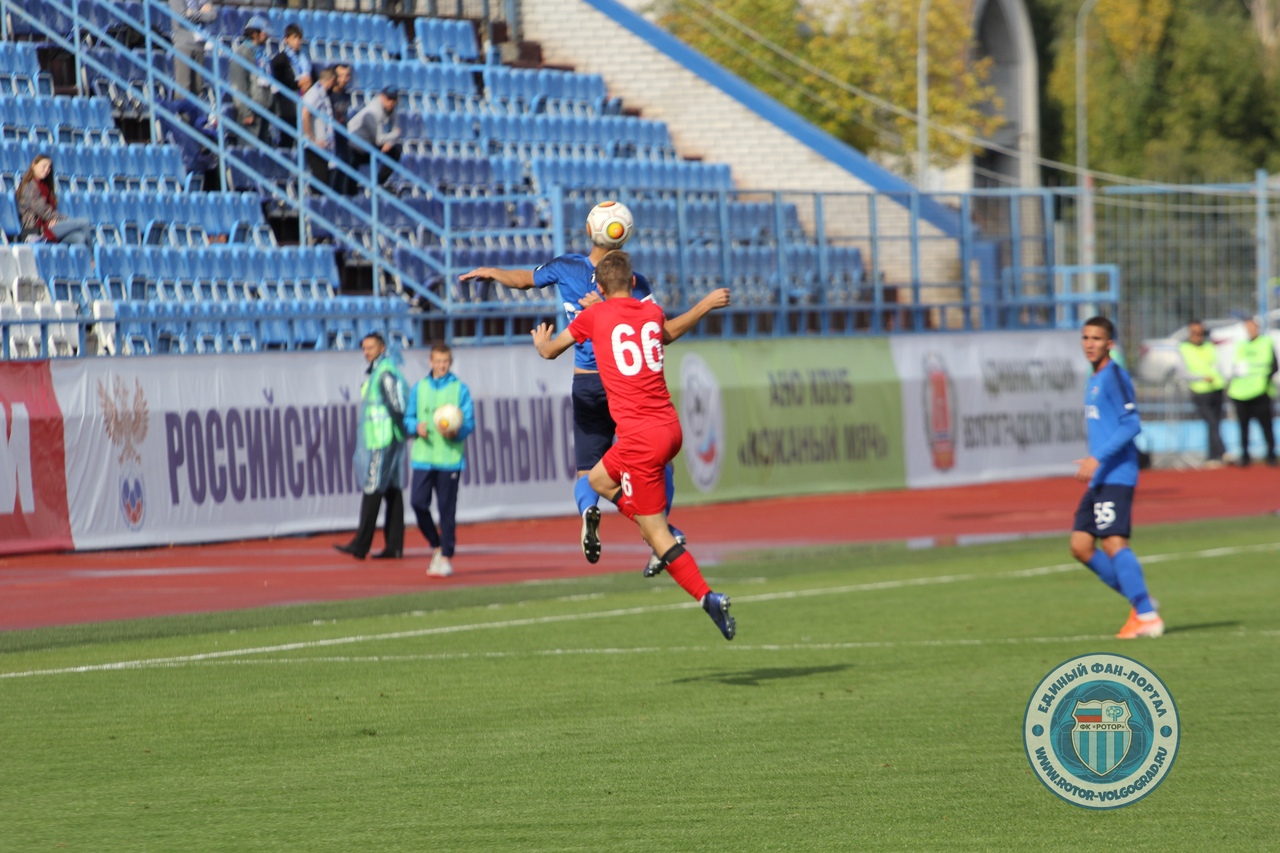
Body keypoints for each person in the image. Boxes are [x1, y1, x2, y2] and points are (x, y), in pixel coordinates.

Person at [459, 201, 730, 574]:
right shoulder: (634, 283)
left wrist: (493, 272)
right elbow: (662, 332)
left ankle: (589, 509)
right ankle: (659, 534)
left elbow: (523, 280)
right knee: (657, 461)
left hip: (586, 384)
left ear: (590, 231)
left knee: (589, 475)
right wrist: (704, 305)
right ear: (626, 234)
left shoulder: (567, 267)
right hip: (626, 387)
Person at [532, 251, 735, 640]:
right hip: (669, 428)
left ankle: (707, 595)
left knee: (656, 533)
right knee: (598, 481)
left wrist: (541, 339)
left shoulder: (592, 316)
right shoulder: (651, 313)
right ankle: (654, 523)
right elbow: (667, 330)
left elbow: (550, 351)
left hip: (639, 437)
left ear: (601, 288)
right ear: (631, 283)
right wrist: (706, 303)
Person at [1069, 316, 1163, 639]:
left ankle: (1146, 615)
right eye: (1085, 338)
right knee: (1081, 546)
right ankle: (1141, 601)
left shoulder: (1113, 376)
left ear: (1109, 344)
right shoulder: (1092, 377)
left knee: (1112, 541)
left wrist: (1098, 457)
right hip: (1101, 476)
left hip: (1117, 472)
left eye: (1096, 338)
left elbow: (1132, 423)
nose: (1089, 343)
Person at [336, 333, 410, 560]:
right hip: (385, 437)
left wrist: (401, 429)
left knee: (373, 486)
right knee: (391, 489)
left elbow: (397, 405)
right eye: (364, 348)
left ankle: (361, 544)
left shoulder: (385, 373)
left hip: (383, 437)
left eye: (370, 348)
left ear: (381, 348)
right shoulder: (379, 371)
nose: (366, 352)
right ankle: (394, 545)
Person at [404, 343, 475, 578]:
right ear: (430, 361)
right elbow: (408, 418)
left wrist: (457, 431)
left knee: (447, 510)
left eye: (445, 361)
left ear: (450, 362)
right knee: (417, 503)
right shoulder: (420, 388)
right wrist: (416, 426)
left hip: (449, 459)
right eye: (438, 361)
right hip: (423, 458)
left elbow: (469, 422)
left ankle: (445, 556)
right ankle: (436, 544)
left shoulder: (459, 389)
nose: (441, 365)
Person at [1226, 315, 1278, 467]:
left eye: (1252, 326)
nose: (1250, 330)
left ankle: (1271, 455)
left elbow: (1274, 366)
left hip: (1261, 392)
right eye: (1247, 327)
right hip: (1241, 392)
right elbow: (1236, 368)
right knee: (1243, 427)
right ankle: (1245, 456)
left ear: (1257, 327)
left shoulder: (1266, 342)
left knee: (1266, 426)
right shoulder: (1241, 345)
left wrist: (1262, 381)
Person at [15, 155, 92, 245]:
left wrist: (54, 219)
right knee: (84, 222)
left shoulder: (46, 187)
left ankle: (84, 258)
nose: (47, 170)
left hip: (49, 226)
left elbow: (50, 212)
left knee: (80, 238)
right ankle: (92, 259)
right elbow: (43, 210)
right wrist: (62, 219)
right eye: (44, 166)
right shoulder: (29, 187)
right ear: (34, 165)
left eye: (49, 168)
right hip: (34, 230)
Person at [1178, 319, 1226, 466]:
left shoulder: (1209, 346)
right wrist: (1201, 377)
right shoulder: (1183, 348)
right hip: (1199, 391)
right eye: (1195, 333)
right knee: (1211, 422)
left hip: (1216, 388)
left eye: (1201, 333)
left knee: (1216, 423)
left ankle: (1214, 455)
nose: (1198, 336)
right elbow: (1183, 372)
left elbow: (1217, 364)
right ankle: (1221, 452)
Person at [344, 88, 403, 192]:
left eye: (394, 100)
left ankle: (378, 184)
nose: (391, 103)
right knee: (349, 185)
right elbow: (380, 139)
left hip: (368, 145)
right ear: (382, 97)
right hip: (353, 145)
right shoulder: (373, 111)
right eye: (388, 99)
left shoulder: (391, 110)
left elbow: (392, 130)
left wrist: (391, 141)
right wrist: (396, 134)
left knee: (395, 150)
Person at [229, 15, 273, 144]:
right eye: (264, 33)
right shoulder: (242, 54)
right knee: (248, 152)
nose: (267, 37)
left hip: (264, 110)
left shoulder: (261, 54)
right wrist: (246, 111)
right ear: (255, 34)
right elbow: (239, 86)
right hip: (251, 114)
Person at [271, 23, 313, 149]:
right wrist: (297, 84)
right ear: (286, 39)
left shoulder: (304, 59)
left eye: (299, 38)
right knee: (287, 140)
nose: (297, 42)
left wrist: (308, 84)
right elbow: (278, 82)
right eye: (294, 38)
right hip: (287, 106)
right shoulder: (280, 59)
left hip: (303, 102)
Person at [168, 0, 216, 99]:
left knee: (198, 90)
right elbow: (181, 18)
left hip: (199, 45)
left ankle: (196, 114)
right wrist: (201, 14)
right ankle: (183, 114)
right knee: (183, 89)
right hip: (184, 45)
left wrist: (192, 13)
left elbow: (213, 15)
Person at [301, 66, 337, 189]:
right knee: (319, 182)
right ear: (331, 80)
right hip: (316, 146)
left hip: (323, 146)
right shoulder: (315, 92)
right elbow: (305, 113)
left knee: (324, 181)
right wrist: (311, 138)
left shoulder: (322, 93)